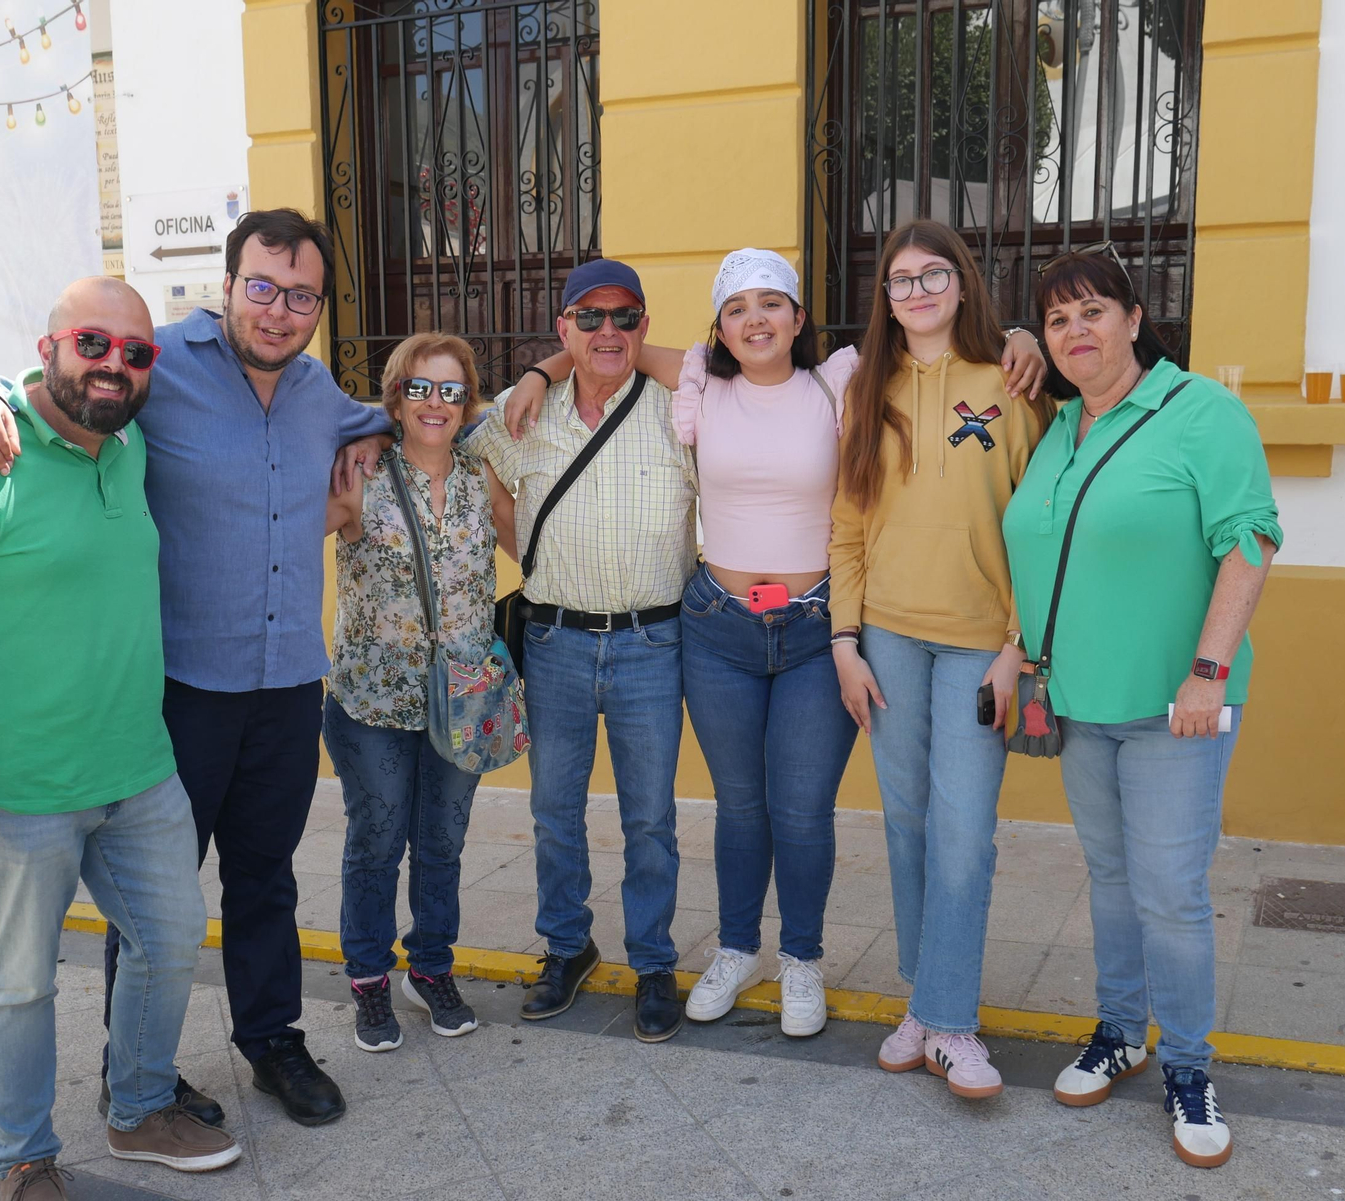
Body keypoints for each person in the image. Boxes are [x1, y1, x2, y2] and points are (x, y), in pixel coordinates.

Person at [0, 209, 390, 1129]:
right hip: (182, 688)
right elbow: (56, 381)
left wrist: (367, 442)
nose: (279, 310)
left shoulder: (318, 391)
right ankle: (138, 1070)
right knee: (155, 897)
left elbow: (385, 413)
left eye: (301, 296)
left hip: (291, 677)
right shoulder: (158, 364)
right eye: (261, 287)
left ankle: (273, 1040)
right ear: (227, 287)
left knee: (267, 873)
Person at [504, 249, 1045, 1039]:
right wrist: (533, 372)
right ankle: (735, 947)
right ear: (719, 326)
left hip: (813, 628)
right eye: (737, 307)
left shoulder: (845, 377)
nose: (755, 319)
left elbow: (938, 333)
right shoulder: (698, 381)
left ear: (798, 316)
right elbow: (596, 344)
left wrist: (1022, 333)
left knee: (801, 810)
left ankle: (801, 958)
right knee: (739, 805)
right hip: (716, 626)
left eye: (772, 303)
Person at [0, 278, 239, 1200]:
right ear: (47, 349)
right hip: (15, 792)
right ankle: (24, 1157)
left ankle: (139, 1107)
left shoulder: (126, 446)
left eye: (135, 351)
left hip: (137, 769)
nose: (114, 364)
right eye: (92, 343)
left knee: (170, 939)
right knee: (19, 985)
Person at [1003, 244, 1279, 1168]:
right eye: (1056, 319)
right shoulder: (1059, 426)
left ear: (1132, 315)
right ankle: (1121, 1029)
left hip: (1175, 708)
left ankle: (1190, 1068)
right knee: (1111, 878)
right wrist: (1019, 652)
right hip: (1079, 700)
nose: (1076, 331)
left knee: (1171, 893)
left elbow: (1250, 540)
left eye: (1091, 311)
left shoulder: (1201, 411)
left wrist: (1208, 669)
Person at [828, 219, 1057, 1098]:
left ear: (963, 283)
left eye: (934, 275)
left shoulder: (1013, 380)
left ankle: (953, 1023)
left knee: (964, 835)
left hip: (978, 649)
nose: (916, 291)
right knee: (908, 825)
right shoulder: (864, 385)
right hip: (886, 638)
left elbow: (1039, 529)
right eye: (899, 280)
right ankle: (925, 1006)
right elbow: (846, 525)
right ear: (884, 297)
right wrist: (844, 642)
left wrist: (1016, 649)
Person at [465, 258, 696, 1043]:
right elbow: (454, 449)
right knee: (554, 811)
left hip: (650, 641)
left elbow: (728, 368)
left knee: (651, 818)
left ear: (644, 327)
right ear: (562, 327)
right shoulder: (522, 414)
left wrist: (547, 363)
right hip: (555, 639)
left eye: (624, 316)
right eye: (588, 318)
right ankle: (568, 945)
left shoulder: (679, 410)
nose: (607, 331)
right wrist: (517, 539)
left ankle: (654, 960)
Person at [322, 332, 512, 1052]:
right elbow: (288, 529)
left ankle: (430, 966)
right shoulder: (359, 473)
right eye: (421, 388)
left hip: (462, 696)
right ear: (395, 396)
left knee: (441, 842)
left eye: (452, 390)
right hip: (371, 700)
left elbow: (530, 545)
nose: (437, 403)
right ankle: (369, 977)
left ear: (469, 402)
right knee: (375, 840)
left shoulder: (478, 476)